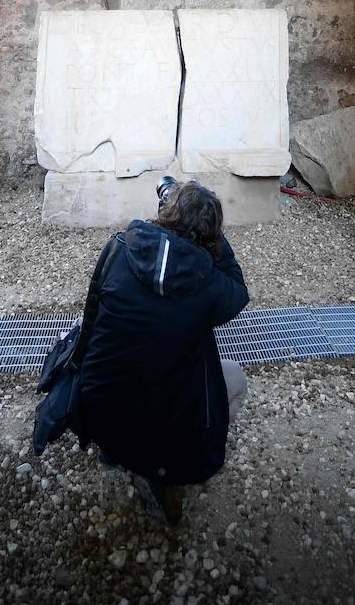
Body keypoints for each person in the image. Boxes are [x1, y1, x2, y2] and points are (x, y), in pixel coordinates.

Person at [78, 178, 249, 524]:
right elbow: (239, 290)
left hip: (99, 405)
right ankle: (165, 471)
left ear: (166, 212)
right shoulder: (209, 285)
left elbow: (92, 320)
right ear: (210, 235)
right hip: (161, 429)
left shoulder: (120, 248)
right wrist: (215, 237)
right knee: (235, 379)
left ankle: (114, 449)